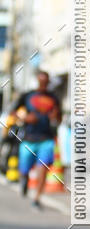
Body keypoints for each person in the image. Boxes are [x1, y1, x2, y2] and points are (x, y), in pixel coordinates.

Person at [9, 70, 61, 209]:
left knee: (43, 169)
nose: (44, 84)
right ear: (38, 81)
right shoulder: (27, 96)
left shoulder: (54, 98)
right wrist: (25, 118)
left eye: (46, 82)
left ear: (48, 82)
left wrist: (56, 117)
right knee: (23, 170)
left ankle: (36, 198)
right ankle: (24, 181)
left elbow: (59, 119)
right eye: (41, 81)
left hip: (46, 139)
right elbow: (12, 112)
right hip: (28, 139)